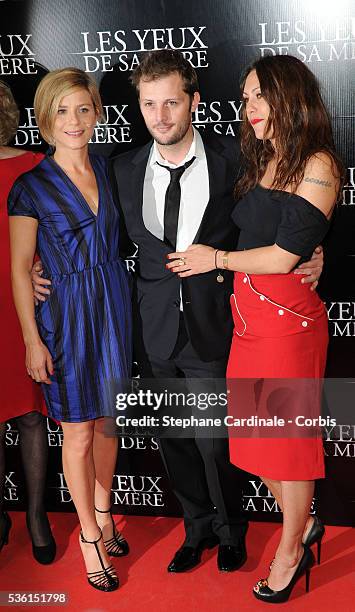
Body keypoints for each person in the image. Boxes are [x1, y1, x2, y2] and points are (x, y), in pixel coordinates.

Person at [33, 50, 323, 574]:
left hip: (219, 324)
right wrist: (36, 266)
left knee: (219, 443)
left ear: (193, 101)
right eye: (149, 104)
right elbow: (91, 238)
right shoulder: (118, 170)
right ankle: (196, 531)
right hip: (152, 327)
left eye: (171, 102)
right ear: (138, 108)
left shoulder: (238, 159)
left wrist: (310, 252)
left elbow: (275, 224)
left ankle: (232, 533)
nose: (161, 115)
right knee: (177, 441)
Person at [166, 54, 344, 602]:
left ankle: (291, 548)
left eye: (261, 96)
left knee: (287, 448)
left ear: (292, 96)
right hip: (249, 324)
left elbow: (286, 255)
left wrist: (216, 259)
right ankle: (304, 523)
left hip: (289, 328)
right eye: (247, 98)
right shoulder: (262, 157)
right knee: (254, 444)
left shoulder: (318, 164)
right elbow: (274, 240)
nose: (251, 108)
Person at [8, 68, 132, 592]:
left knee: (108, 423)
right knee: (77, 431)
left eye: (83, 109)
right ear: (45, 119)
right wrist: (33, 340)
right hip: (66, 318)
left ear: (97, 113)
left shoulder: (110, 171)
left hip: (114, 308)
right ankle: (87, 537)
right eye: (62, 111)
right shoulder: (30, 185)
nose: (74, 121)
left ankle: (103, 513)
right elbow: (18, 268)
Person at [0, 79, 56, 564]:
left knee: (32, 414)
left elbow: (58, 239)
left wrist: (43, 270)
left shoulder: (36, 167)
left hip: (22, 306)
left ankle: (36, 515)